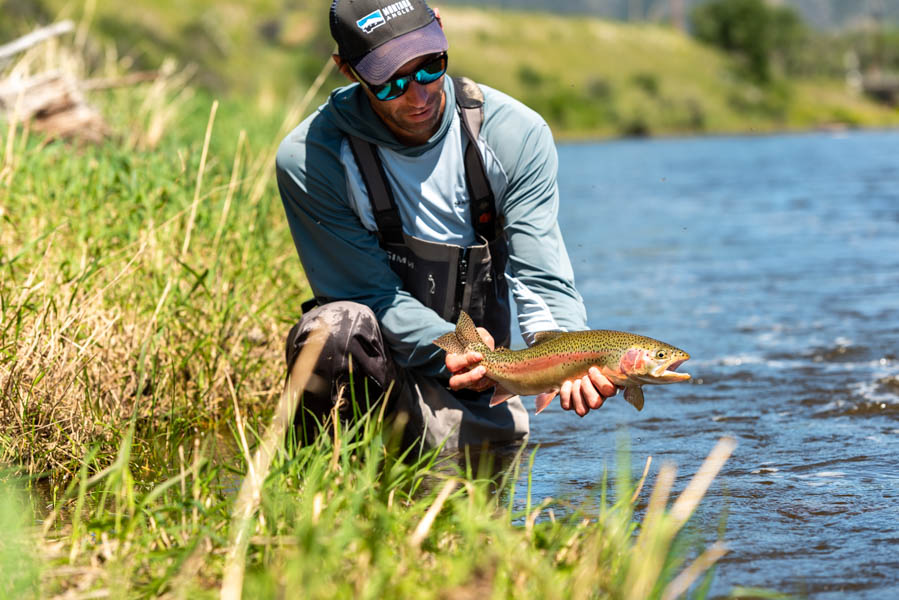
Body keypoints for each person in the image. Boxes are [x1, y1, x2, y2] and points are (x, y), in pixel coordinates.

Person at [276, 0, 618, 450]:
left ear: (441, 28)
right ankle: (327, 486)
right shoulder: (312, 158)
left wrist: (574, 355)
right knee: (333, 328)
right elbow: (368, 293)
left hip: (481, 395)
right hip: (382, 386)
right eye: (390, 83)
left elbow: (539, 275)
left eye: (429, 67)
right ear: (347, 69)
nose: (418, 96)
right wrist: (454, 347)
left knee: (468, 513)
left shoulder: (513, 135)